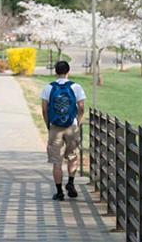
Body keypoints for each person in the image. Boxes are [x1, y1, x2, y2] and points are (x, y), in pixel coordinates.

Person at [41, 61, 86, 201]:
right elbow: (82, 107)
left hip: (55, 127)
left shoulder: (48, 88)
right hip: (72, 126)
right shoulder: (76, 87)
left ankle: (59, 192)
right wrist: (77, 121)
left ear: (55, 72)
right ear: (68, 71)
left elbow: (44, 109)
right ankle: (71, 183)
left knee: (57, 161)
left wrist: (48, 124)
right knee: (73, 156)